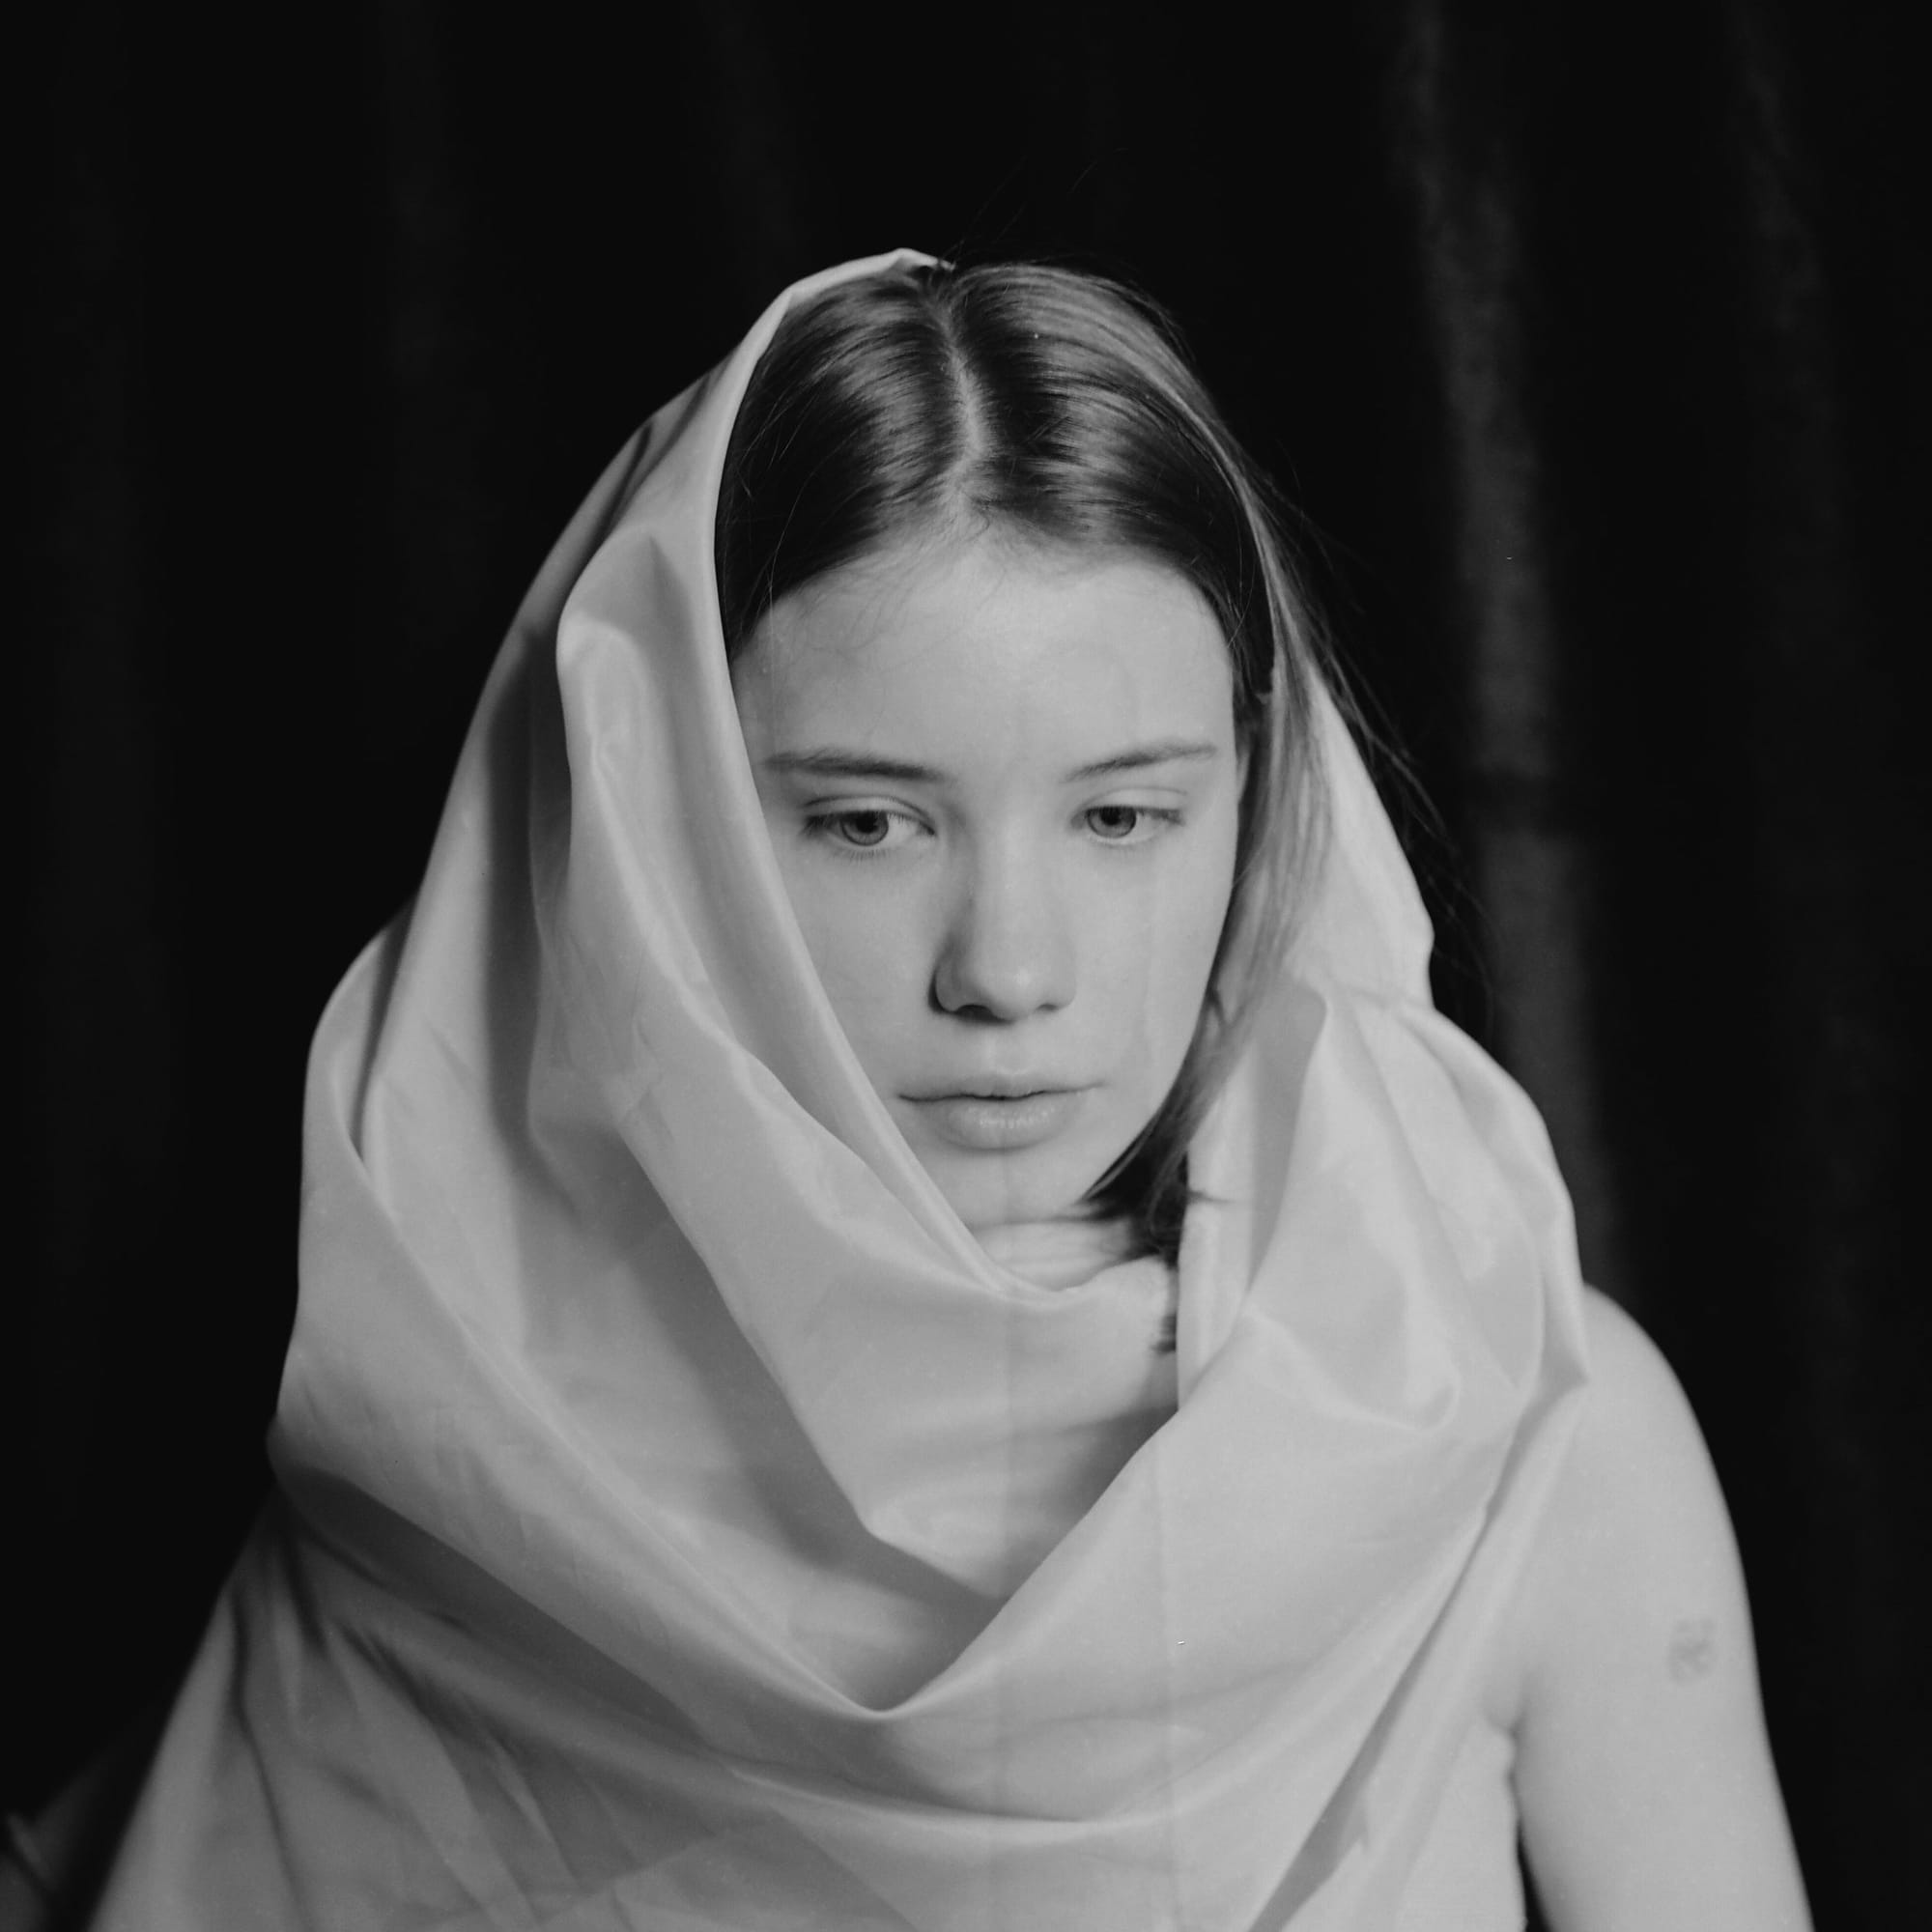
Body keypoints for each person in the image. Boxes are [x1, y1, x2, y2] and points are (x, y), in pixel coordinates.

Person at [72, 250, 1810, 1929]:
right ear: (658, 828)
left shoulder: (1518, 1419)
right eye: (866, 822)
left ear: (1255, 796)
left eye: (1123, 816)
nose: (1009, 968)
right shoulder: (459, 1445)